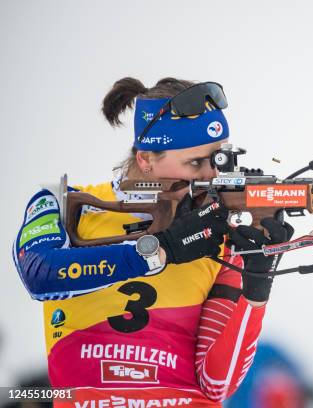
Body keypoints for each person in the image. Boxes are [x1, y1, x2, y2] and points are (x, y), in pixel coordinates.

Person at [12, 77, 293, 407]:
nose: (211, 176)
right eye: (195, 163)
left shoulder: (219, 234)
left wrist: (256, 288)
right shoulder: (62, 203)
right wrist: (160, 250)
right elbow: (39, 274)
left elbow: (218, 384)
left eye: (218, 160)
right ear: (146, 158)